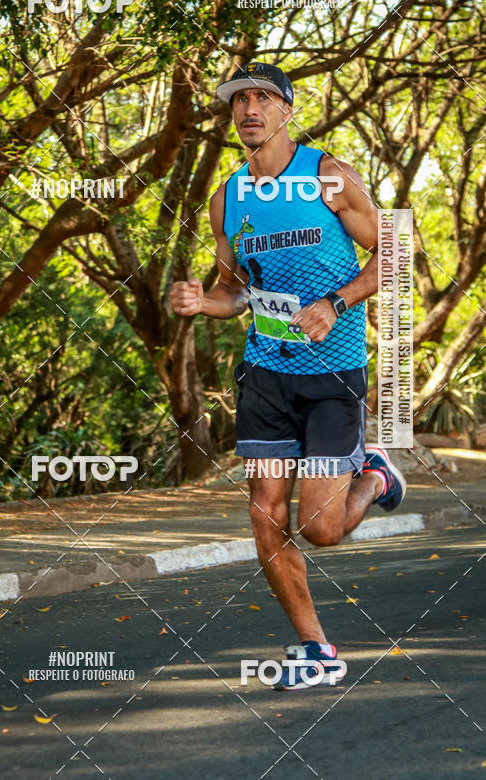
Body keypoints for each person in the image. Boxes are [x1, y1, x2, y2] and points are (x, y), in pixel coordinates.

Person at [170, 62, 406, 690]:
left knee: (320, 528)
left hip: (333, 372)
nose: (249, 110)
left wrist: (337, 302)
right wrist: (202, 302)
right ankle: (315, 651)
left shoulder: (328, 176)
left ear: (286, 110)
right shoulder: (229, 198)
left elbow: (394, 254)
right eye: (238, 101)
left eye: (263, 99)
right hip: (267, 375)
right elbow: (234, 292)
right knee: (263, 512)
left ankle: (375, 476)